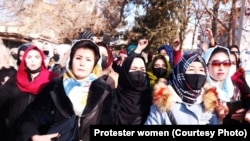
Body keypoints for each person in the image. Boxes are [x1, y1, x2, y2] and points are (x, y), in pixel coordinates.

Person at [12, 39, 114, 141]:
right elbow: (29, 115)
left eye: (88, 60)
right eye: (78, 58)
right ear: (70, 60)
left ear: (95, 64)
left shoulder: (104, 90)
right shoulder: (55, 86)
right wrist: (34, 136)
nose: (82, 63)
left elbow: (108, 124)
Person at [145, 52, 222, 125]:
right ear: (181, 72)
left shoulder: (209, 102)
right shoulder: (163, 102)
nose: (197, 73)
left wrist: (220, 118)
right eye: (191, 69)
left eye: (201, 70)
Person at [0, 45, 58, 141]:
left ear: (42, 59)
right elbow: (2, 98)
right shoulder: (16, 78)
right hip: (14, 130)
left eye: (36, 57)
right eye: (29, 57)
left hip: (39, 133)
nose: (33, 60)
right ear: (24, 60)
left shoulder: (52, 80)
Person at [203, 46, 245, 124]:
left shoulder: (235, 87)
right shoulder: (200, 90)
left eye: (226, 63)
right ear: (206, 65)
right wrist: (217, 117)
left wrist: (244, 113)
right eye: (216, 63)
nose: (221, 67)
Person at [114, 52, 153, 125]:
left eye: (142, 69)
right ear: (125, 71)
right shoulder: (112, 97)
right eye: (134, 68)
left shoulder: (151, 98)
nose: (138, 72)